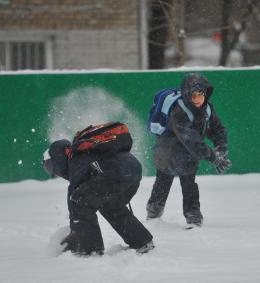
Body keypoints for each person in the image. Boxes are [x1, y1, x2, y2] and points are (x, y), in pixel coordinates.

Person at [43, 122, 154, 256]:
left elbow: (74, 196)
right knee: (112, 207)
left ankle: (90, 250)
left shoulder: (76, 157)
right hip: (132, 171)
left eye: (51, 166)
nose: (55, 171)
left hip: (115, 173)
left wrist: (75, 234)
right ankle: (142, 242)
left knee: (79, 200)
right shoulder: (85, 152)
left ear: (58, 158)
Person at [146, 73, 231, 227]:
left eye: (201, 94)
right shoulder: (179, 111)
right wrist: (213, 157)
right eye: (194, 95)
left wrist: (221, 149)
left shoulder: (207, 110)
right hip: (167, 151)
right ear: (187, 94)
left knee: (188, 183)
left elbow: (218, 130)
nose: (198, 98)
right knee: (164, 182)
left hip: (188, 154)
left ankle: (193, 218)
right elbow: (191, 140)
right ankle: (153, 215)